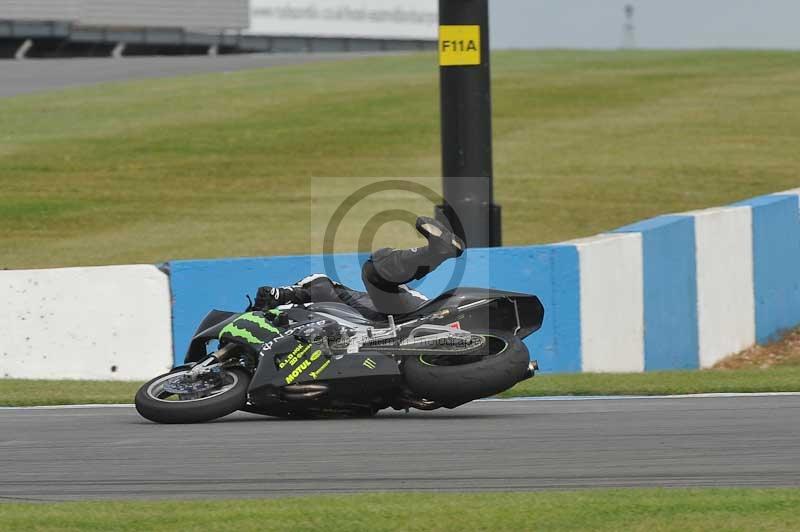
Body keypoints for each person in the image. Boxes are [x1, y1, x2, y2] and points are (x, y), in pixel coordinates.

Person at [254, 216, 465, 319]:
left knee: (374, 268)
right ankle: (434, 253)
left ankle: (435, 251)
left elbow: (318, 285)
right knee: (374, 269)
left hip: (400, 315)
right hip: (399, 321)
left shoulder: (324, 293)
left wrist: (276, 299)